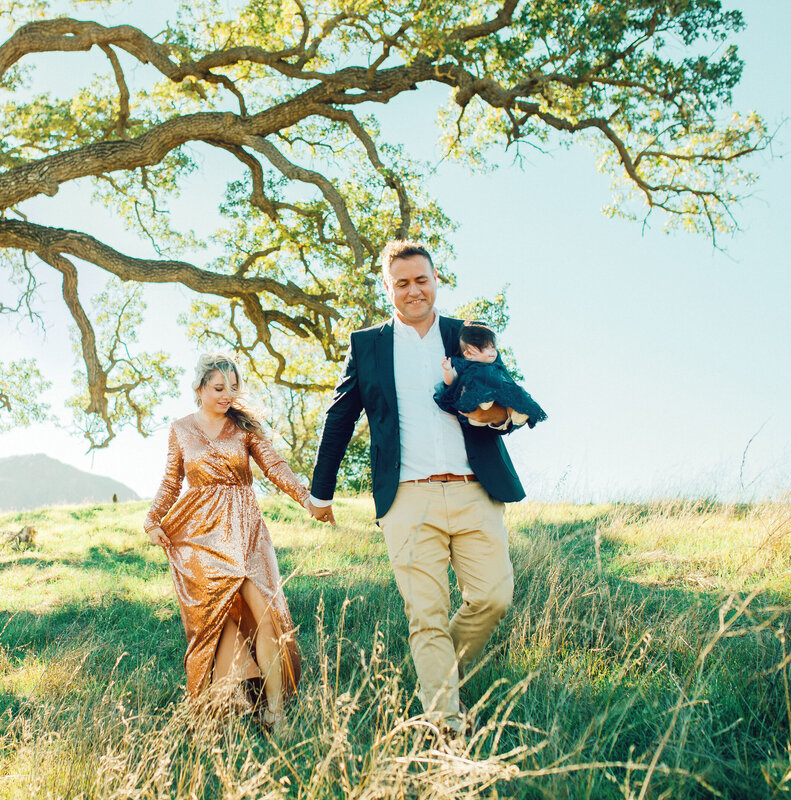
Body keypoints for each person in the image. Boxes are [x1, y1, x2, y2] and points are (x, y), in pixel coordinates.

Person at [307, 240, 527, 738]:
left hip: (476, 491)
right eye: (401, 282)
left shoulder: (465, 336)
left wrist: (489, 414)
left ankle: (439, 677)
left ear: (435, 281)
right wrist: (322, 493)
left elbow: (510, 404)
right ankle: (446, 725)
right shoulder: (367, 345)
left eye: (421, 280)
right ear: (388, 288)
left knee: (493, 597)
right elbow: (340, 417)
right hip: (407, 499)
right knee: (426, 616)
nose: (413, 290)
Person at [145, 352, 325, 727]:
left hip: (245, 532)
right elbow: (171, 481)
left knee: (267, 618)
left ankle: (275, 713)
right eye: (218, 387)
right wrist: (152, 519)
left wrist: (307, 498)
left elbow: (274, 466)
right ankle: (232, 703)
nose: (228, 394)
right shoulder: (180, 429)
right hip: (199, 535)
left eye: (233, 386)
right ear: (199, 388)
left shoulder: (244, 427)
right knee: (216, 621)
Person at [435, 320, 547, 429]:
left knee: (513, 393)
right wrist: (447, 370)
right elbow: (451, 382)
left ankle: (518, 412)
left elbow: (509, 384)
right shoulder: (464, 365)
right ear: (468, 354)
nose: (492, 352)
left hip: (497, 394)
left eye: (493, 347)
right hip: (475, 399)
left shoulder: (496, 368)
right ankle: (484, 402)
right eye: (485, 348)